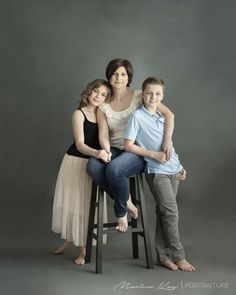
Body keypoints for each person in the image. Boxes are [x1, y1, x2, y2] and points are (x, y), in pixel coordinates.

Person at [87, 58, 174, 232]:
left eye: (123, 74)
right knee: (93, 166)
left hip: (136, 150)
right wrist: (105, 150)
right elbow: (103, 133)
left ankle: (121, 213)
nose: (118, 77)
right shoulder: (103, 104)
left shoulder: (139, 96)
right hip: (114, 148)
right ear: (109, 76)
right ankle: (126, 200)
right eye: (115, 73)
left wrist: (167, 140)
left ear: (129, 77)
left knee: (115, 169)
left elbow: (169, 115)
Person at [124, 76, 195, 271]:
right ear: (142, 94)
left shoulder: (162, 117)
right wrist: (152, 154)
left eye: (157, 94)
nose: (153, 97)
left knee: (163, 213)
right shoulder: (137, 117)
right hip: (157, 173)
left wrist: (179, 166)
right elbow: (128, 146)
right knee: (171, 213)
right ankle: (179, 256)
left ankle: (162, 256)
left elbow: (169, 146)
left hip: (174, 170)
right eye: (149, 93)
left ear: (162, 96)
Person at [52, 79, 111, 265]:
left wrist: (106, 152)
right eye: (96, 91)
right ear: (89, 91)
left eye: (103, 95)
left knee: (88, 205)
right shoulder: (79, 113)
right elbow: (80, 144)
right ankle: (81, 250)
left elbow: (105, 137)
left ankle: (71, 238)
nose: (98, 96)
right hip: (77, 161)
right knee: (77, 204)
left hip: (94, 162)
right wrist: (97, 153)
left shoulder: (103, 114)